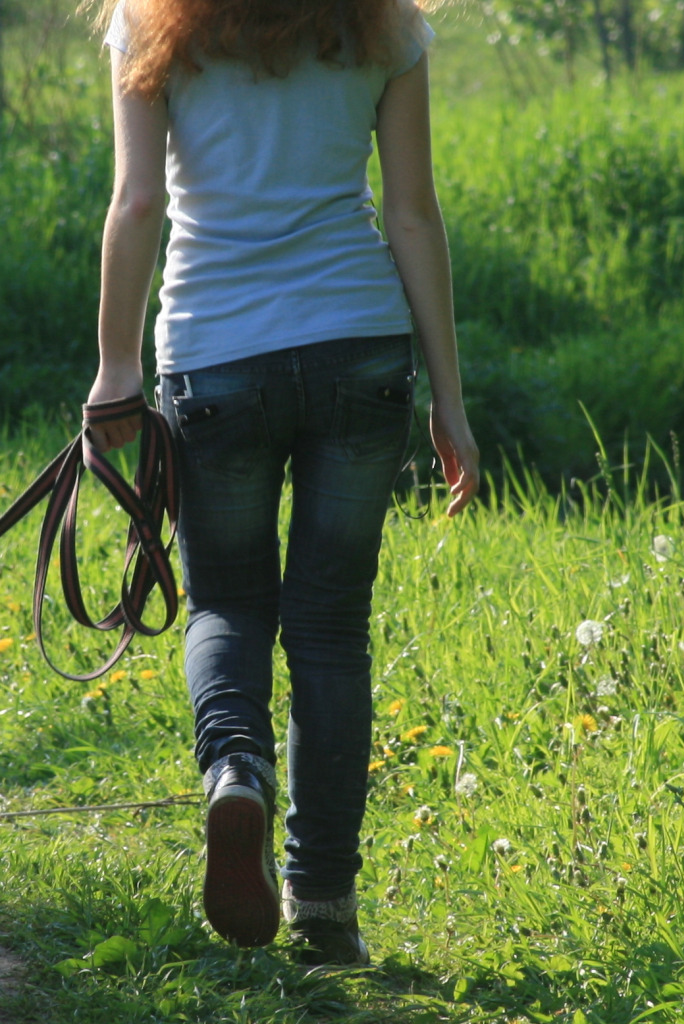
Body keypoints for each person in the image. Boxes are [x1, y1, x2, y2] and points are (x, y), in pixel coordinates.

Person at [81, 0, 480, 967]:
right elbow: (413, 213)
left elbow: (138, 202)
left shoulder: (150, 23)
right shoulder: (386, 27)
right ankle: (327, 907)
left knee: (226, 604)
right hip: (361, 352)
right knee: (332, 626)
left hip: (215, 356)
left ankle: (236, 775)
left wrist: (115, 366)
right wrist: (452, 403)